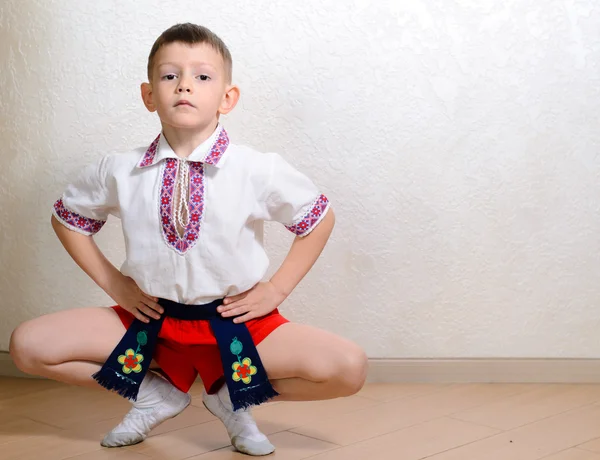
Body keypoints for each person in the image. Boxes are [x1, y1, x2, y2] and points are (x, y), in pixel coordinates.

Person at [9, 23, 367, 456]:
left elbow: (317, 219)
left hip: (237, 326)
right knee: (27, 347)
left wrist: (277, 288)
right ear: (148, 95)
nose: (184, 86)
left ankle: (230, 396)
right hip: (150, 325)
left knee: (348, 368)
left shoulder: (257, 169)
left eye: (202, 76)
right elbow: (68, 219)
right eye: (169, 75)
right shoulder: (119, 169)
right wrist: (116, 285)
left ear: (227, 97)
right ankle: (154, 394)